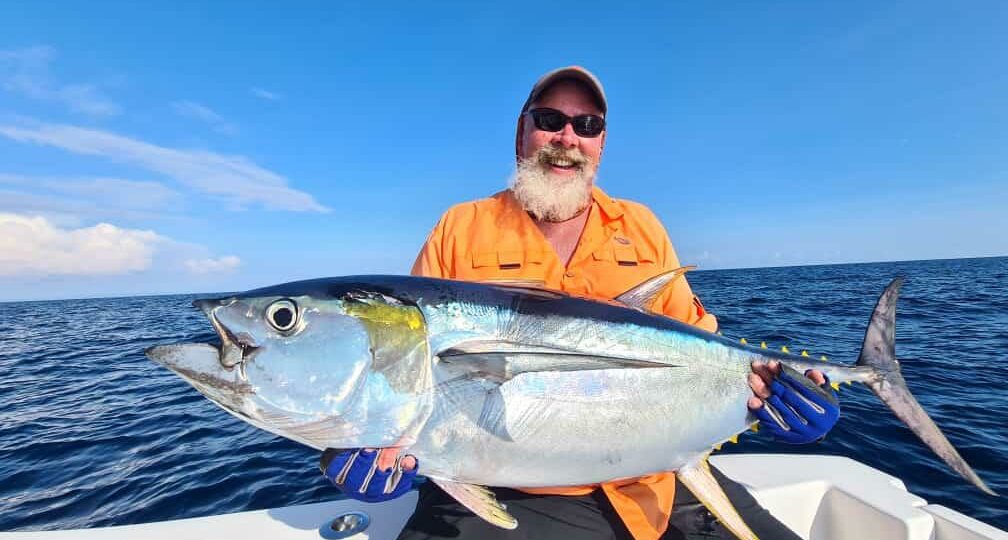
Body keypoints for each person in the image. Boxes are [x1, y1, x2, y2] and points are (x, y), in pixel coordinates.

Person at [321, 66, 839, 540]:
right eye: (550, 120)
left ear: (602, 143)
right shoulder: (462, 226)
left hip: (656, 476)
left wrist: (776, 392)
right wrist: (366, 441)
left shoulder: (640, 226)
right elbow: (400, 367)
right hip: (510, 491)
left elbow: (699, 348)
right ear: (521, 132)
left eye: (586, 125)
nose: (567, 138)